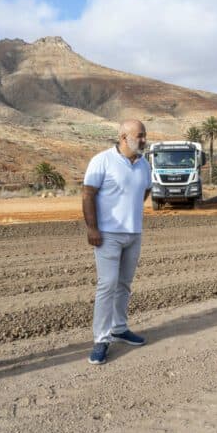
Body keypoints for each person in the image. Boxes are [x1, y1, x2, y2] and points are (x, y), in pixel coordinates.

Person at [83, 119, 152, 364]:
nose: (144, 140)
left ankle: (119, 328)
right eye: (140, 135)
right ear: (124, 137)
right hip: (107, 235)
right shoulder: (102, 160)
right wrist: (93, 227)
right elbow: (88, 194)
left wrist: (128, 212)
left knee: (124, 284)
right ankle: (101, 339)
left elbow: (145, 191)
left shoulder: (144, 165)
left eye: (144, 135)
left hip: (133, 234)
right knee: (107, 285)